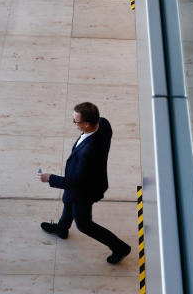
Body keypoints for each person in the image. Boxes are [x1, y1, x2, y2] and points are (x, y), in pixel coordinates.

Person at [38, 102, 132, 264]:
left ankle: (120, 247)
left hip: (84, 190)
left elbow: (74, 181)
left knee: (84, 224)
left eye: (76, 121)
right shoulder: (102, 124)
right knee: (67, 201)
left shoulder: (87, 153)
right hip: (93, 181)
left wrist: (49, 178)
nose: (74, 124)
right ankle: (62, 229)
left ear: (87, 124)